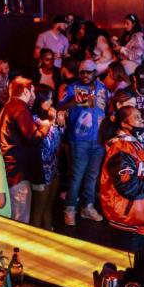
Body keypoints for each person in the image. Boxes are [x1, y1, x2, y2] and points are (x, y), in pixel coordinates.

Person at [99, 106, 144, 251]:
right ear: (124, 124)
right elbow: (128, 186)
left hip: (139, 217)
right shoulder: (120, 148)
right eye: (137, 117)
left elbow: (140, 170)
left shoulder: (135, 143)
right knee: (126, 267)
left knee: (139, 265)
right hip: (126, 221)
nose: (142, 120)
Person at [59, 59, 108, 226]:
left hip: (99, 139)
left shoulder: (103, 89)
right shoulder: (72, 88)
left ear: (95, 73)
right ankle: (70, 209)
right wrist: (75, 101)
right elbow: (60, 106)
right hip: (79, 140)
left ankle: (87, 207)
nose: (85, 75)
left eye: (88, 72)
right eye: (82, 72)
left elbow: (107, 110)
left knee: (92, 176)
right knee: (76, 176)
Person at [0, 77, 51, 223]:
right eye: (32, 91)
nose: (34, 95)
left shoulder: (8, 106)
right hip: (17, 173)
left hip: (11, 169)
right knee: (20, 218)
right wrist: (46, 125)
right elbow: (33, 137)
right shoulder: (19, 107)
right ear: (26, 90)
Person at [30, 86, 64, 231]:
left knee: (49, 206)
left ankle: (48, 234)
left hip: (53, 167)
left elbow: (58, 138)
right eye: (48, 98)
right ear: (40, 100)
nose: (51, 101)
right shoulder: (33, 119)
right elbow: (45, 142)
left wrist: (61, 124)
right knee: (39, 207)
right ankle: (35, 238)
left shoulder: (49, 117)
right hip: (41, 169)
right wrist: (51, 121)